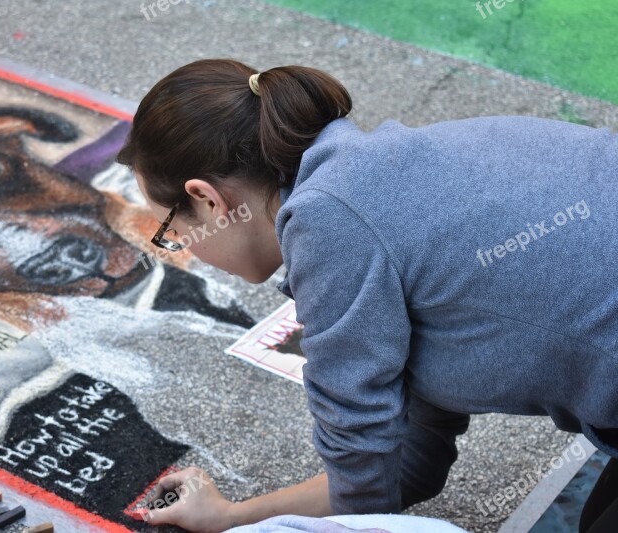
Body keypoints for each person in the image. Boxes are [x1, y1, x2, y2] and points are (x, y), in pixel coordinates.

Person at [115, 59, 618, 532]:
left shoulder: (329, 224)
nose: (180, 247)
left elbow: (361, 473)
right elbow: (403, 464)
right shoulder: (374, 178)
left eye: (169, 229)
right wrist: (232, 517)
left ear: (207, 199)